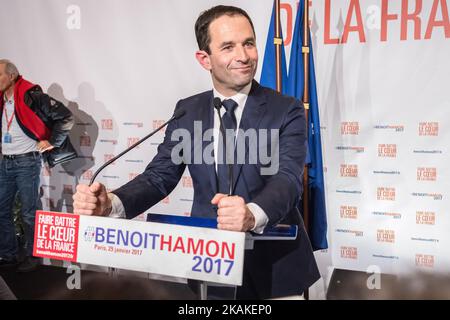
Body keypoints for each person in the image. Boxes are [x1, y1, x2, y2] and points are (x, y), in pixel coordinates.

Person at [73, 5, 320, 299]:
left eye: (249, 43)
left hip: (276, 269)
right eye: (228, 47)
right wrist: (110, 203)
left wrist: (251, 215)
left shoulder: (287, 109)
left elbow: (288, 180)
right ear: (205, 59)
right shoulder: (188, 111)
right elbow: (158, 177)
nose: (243, 56)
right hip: (210, 268)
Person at [0, 59, 74, 272]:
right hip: (5, 161)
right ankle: (8, 254)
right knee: (2, 210)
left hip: (27, 161)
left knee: (29, 212)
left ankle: (34, 256)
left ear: (12, 76)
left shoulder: (32, 96)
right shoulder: (2, 100)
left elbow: (66, 118)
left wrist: (52, 141)